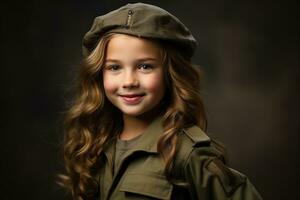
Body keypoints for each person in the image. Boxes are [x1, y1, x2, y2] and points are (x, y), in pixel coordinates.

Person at [60, 3, 263, 200]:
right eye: (114, 67)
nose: (129, 81)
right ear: (98, 74)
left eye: (145, 66)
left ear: (169, 73)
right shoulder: (94, 144)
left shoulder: (187, 154)